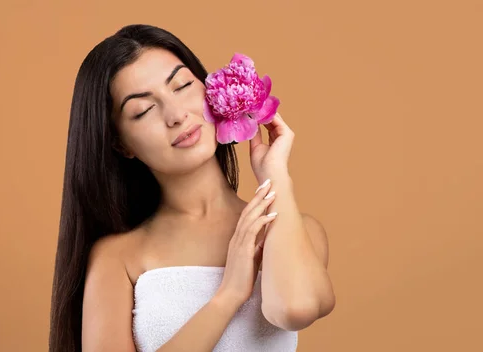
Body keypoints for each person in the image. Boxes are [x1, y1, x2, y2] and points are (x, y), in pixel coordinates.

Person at [49, 24, 336, 352]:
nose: (176, 115)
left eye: (183, 85)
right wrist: (226, 297)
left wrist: (276, 176)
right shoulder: (117, 257)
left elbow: (294, 309)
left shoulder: (296, 232)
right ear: (120, 144)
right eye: (142, 110)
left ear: (210, 90)